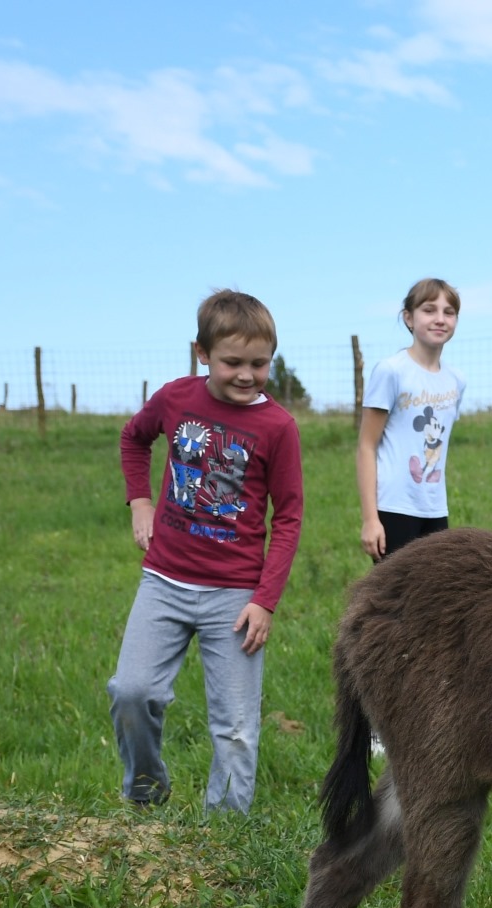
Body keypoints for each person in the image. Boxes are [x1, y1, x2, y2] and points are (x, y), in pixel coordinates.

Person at [108, 289, 304, 813]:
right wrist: (140, 502)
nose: (246, 375)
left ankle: (222, 840)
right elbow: (134, 438)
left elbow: (288, 517)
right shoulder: (176, 398)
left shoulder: (279, 427)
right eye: (232, 362)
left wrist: (265, 600)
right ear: (202, 353)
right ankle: (146, 793)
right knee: (132, 693)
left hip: (235, 598)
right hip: (164, 583)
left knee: (236, 729)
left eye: (260, 364)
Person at [357, 278, 466, 561]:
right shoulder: (391, 371)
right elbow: (367, 447)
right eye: (429, 310)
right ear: (408, 317)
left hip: (435, 509)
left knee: (435, 598)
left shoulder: (456, 381)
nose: (440, 319)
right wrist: (371, 520)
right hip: (394, 508)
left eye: (449, 312)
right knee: (394, 602)